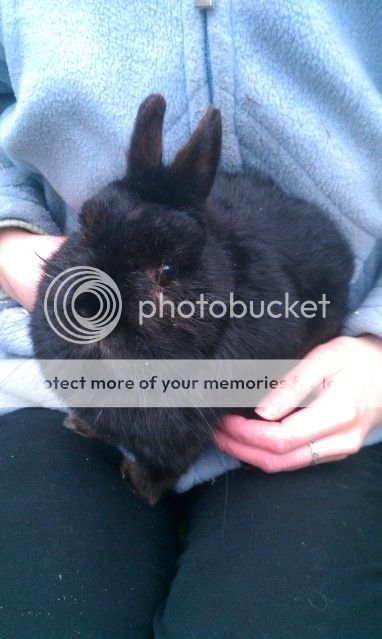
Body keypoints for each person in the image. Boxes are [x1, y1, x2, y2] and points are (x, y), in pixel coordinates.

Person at [0, 1, 381, 637]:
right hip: (28, 351)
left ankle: (159, 462)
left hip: (334, 392)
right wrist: (10, 238)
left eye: (164, 279)